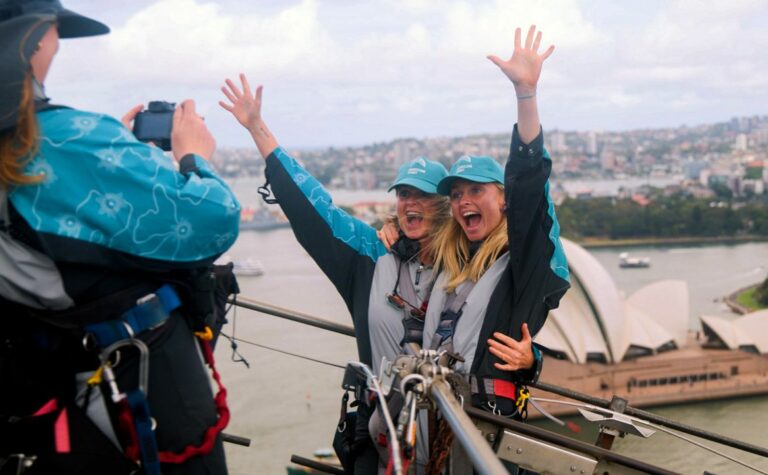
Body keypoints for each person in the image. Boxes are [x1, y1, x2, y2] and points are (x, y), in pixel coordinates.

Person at [0, 1, 240, 474]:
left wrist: (119, 158)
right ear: (34, 40)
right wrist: (193, 157)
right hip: (139, 385)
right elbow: (213, 219)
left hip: (46, 379)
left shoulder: (53, 141)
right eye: (55, 31)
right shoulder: (65, 138)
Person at [219, 74, 450, 473]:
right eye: (404, 194)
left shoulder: (468, 263)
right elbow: (315, 209)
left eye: (424, 195)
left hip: (450, 429)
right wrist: (258, 128)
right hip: (382, 428)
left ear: (446, 204)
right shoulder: (371, 254)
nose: (411, 203)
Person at [422, 25, 570, 471]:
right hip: (434, 422)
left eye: (475, 191)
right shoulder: (448, 262)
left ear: (502, 199)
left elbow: (528, 190)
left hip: (489, 427)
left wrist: (526, 95)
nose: (463, 201)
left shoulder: (521, 264)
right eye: (455, 194)